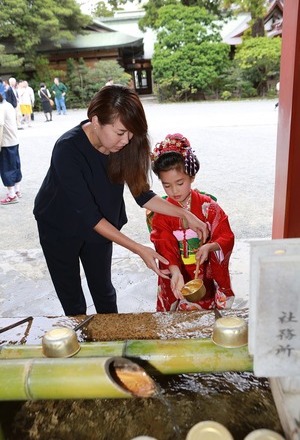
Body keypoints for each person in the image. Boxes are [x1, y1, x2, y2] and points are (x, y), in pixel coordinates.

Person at [33, 85, 208, 316]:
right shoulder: (67, 149)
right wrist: (138, 249)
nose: (126, 140)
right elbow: (89, 215)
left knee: (103, 289)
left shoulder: (126, 144)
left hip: (102, 223)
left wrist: (184, 213)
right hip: (59, 225)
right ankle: (83, 344)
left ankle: (113, 339)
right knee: (71, 295)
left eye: (131, 133)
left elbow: (142, 194)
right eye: (120, 132)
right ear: (95, 121)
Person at [148, 133, 235, 312]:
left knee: (206, 310)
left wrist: (209, 247)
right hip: (176, 269)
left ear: (192, 177)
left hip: (203, 269)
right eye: (167, 185)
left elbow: (225, 235)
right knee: (176, 307)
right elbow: (163, 243)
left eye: (180, 183)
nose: (174, 191)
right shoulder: (162, 212)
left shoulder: (207, 206)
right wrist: (175, 271)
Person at [0, 93, 22, 205]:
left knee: (6, 168)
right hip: (14, 140)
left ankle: (11, 195)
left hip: (6, 142)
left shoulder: (1, 108)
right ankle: (17, 190)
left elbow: (0, 126)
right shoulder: (7, 104)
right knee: (15, 165)